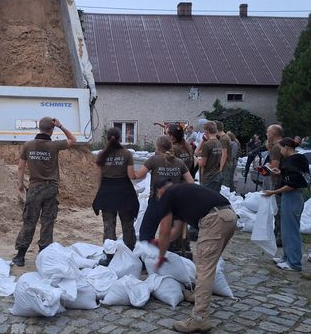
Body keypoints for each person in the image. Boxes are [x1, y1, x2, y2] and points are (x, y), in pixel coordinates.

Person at [153, 180, 237, 333]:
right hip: (229, 216)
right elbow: (176, 231)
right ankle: (197, 296)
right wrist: (160, 242)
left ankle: (200, 319)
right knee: (207, 265)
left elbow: (164, 231)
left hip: (214, 219)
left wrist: (160, 256)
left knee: (205, 269)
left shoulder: (167, 196)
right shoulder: (181, 193)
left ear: (160, 191)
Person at [12, 117, 75, 267]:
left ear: (39, 128)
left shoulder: (28, 145)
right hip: (51, 189)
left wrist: (20, 184)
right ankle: (44, 255)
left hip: (34, 188)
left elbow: (21, 167)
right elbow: (73, 139)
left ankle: (20, 256)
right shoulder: (54, 145)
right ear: (51, 130)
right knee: (47, 222)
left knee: (29, 222)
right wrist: (61, 126)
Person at [92, 127, 139, 266]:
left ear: (107, 138)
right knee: (128, 225)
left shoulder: (101, 154)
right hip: (124, 191)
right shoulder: (127, 154)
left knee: (109, 226)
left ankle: (109, 257)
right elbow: (131, 176)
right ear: (119, 138)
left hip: (107, 191)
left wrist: (98, 193)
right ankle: (130, 255)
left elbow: (99, 176)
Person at [263, 138, 310, 272]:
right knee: (285, 229)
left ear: (287, 147)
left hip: (293, 197)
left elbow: (292, 184)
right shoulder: (298, 159)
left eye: (281, 148)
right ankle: (286, 257)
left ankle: (294, 262)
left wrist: (273, 192)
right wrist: (281, 173)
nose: (281, 151)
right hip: (291, 197)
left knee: (291, 230)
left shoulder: (294, 161)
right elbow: (295, 176)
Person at [136, 135, 194, 242]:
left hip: (156, 201)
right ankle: (166, 253)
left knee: (146, 232)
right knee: (169, 233)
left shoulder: (153, 160)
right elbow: (191, 182)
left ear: (157, 147)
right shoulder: (179, 162)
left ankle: (147, 255)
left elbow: (138, 175)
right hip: (173, 203)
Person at [265, 124, 284, 245]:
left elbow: (275, 168)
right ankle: (279, 234)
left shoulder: (277, 148)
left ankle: (279, 237)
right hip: (283, 183)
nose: (266, 134)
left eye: (268, 132)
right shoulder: (283, 145)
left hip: (278, 184)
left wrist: (266, 167)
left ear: (273, 134)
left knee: (278, 211)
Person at [197, 121, 223, 192]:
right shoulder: (219, 143)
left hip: (208, 177)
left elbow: (202, 163)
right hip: (217, 176)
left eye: (204, 131)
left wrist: (198, 160)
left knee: (206, 199)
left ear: (207, 131)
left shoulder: (207, 144)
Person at [215, 121, 232, 188]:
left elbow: (224, 155)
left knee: (224, 186)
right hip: (227, 164)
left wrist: (220, 168)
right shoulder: (225, 137)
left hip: (225, 165)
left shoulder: (223, 139)